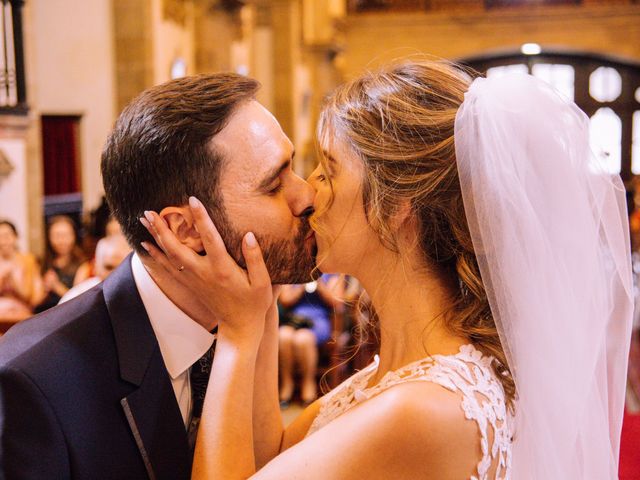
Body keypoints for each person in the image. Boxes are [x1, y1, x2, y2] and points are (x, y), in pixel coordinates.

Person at [141, 60, 633, 479]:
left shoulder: (422, 408)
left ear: (398, 207)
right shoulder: (398, 374)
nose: (309, 192)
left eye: (329, 169)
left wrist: (237, 334)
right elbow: (273, 457)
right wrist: (263, 301)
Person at [0, 73, 316, 479]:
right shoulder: (35, 381)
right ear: (186, 230)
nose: (306, 195)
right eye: (275, 184)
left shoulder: (251, 316)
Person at [278, 274, 344, 405]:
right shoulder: (294, 270)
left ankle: (308, 383)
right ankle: (287, 383)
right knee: (283, 335)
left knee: (303, 338)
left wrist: (319, 285)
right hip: (295, 319)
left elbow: (337, 302)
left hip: (319, 319)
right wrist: (302, 286)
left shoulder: (332, 274)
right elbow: (284, 300)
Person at [34, 215, 87, 312]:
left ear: (74, 236)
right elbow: (34, 302)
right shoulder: (43, 263)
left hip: (68, 315)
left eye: (66, 235)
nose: (62, 240)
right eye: (57, 235)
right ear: (49, 238)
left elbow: (79, 302)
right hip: (43, 313)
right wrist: (45, 289)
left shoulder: (82, 265)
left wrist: (56, 286)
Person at [58, 233, 132, 303]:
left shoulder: (140, 293)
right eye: (109, 267)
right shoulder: (77, 297)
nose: (117, 274)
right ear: (95, 267)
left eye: (124, 268)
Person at [0, 220, 42, 320]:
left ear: (15, 237)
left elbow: (33, 297)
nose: (3, 241)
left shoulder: (28, 260)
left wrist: (13, 279)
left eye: (7, 236)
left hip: (22, 313)